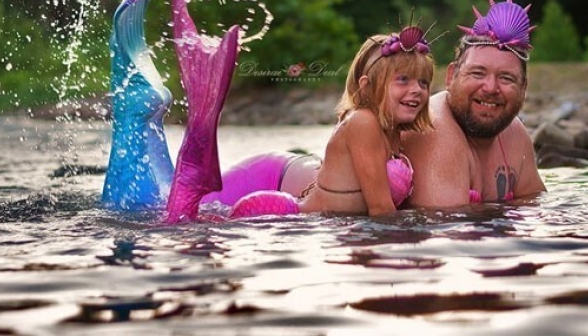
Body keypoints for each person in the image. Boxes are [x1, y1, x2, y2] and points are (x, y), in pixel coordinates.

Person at [167, 23, 435, 222]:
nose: (417, 90)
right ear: (366, 87)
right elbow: (381, 211)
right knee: (182, 218)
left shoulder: (393, 132)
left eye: (423, 82)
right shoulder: (363, 122)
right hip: (274, 212)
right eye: (403, 80)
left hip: (300, 203)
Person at [402, 0, 547, 207]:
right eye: (477, 73)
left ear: (523, 88)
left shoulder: (515, 133)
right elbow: (445, 227)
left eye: (506, 78)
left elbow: (535, 204)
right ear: (451, 76)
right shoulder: (433, 127)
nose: (490, 88)